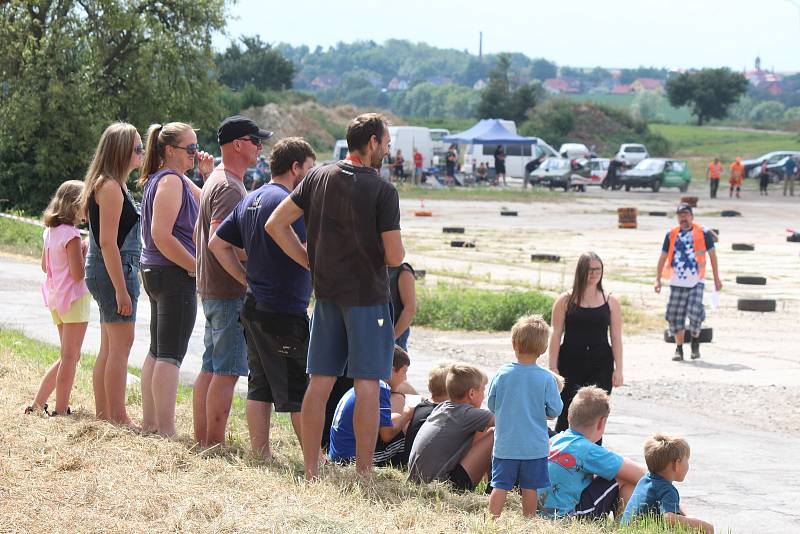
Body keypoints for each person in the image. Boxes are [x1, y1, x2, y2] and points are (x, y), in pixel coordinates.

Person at [266, 112, 403, 480]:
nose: (387, 151)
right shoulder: (382, 190)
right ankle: (362, 472)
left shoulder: (317, 176)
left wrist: (308, 261)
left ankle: (311, 468)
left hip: (326, 296)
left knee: (320, 381)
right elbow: (394, 256)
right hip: (368, 298)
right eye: (386, 144)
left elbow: (275, 224)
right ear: (372, 142)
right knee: (368, 383)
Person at [209, 137, 317, 457]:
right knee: (298, 387)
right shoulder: (289, 204)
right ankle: (314, 458)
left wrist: (245, 278)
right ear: (295, 167)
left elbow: (217, 244)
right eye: (309, 170)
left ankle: (260, 452)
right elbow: (309, 251)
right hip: (284, 308)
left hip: (255, 304)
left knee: (260, 386)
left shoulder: (251, 198)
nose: (311, 179)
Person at [193, 115, 274, 446]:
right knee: (226, 372)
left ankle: (204, 440)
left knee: (211, 368)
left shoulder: (218, 178)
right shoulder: (228, 187)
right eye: (257, 142)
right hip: (227, 291)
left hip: (214, 289)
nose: (260, 148)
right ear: (238, 145)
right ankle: (214, 443)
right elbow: (220, 241)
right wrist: (246, 276)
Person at [138, 122, 211, 438]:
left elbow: (208, 198)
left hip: (158, 273)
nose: (196, 153)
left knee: (157, 350)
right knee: (170, 354)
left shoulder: (171, 179)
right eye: (190, 148)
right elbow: (161, 235)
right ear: (169, 150)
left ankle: (152, 423)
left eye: (197, 147)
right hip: (172, 274)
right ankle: (165, 429)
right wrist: (195, 267)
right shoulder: (170, 182)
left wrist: (208, 173)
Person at [82, 122, 143, 426]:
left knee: (109, 346)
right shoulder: (109, 187)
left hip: (111, 268)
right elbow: (107, 242)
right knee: (121, 346)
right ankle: (118, 417)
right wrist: (121, 289)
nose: (142, 153)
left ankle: (105, 415)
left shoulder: (111, 184)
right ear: (122, 151)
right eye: (138, 148)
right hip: (114, 269)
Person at [487, 315, 564, 519]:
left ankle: (491, 521)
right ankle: (528, 523)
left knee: (500, 486)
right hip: (534, 448)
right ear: (544, 348)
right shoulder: (546, 378)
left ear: (514, 344)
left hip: (506, 445)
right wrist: (543, 412)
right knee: (530, 488)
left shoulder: (502, 374)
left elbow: (491, 404)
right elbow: (556, 410)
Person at [26, 181, 90, 416]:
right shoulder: (72, 236)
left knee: (68, 355)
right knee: (70, 357)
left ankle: (37, 403)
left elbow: (45, 266)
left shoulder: (49, 232)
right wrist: (84, 252)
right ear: (74, 206)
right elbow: (78, 273)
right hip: (74, 300)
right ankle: (61, 409)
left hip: (56, 299)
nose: (87, 209)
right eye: (84, 204)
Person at [539, 386, 646, 519]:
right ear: (601, 423)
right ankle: (624, 528)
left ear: (568, 416)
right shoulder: (587, 449)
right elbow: (641, 475)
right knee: (623, 478)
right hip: (565, 518)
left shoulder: (555, 440)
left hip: (539, 515)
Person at [549, 252, 623, 435]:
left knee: (597, 415)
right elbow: (555, 334)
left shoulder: (611, 301)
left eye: (598, 269)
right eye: (589, 269)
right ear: (580, 271)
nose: (594, 273)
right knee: (567, 411)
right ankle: (560, 457)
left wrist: (619, 369)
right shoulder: (565, 300)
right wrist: (552, 367)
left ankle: (591, 460)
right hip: (570, 363)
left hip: (601, 364)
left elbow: (616, 336)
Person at [407, 364, 495, 492]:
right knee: (494, 433)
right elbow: (506, 423)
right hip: (441, 488)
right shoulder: (466, 413)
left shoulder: (442, 407)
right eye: (483, 390)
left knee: (483, 429)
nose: (484, 396)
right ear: (471, 393)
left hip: (419, 485)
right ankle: (494, 488)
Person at [655, 203, 722, 361]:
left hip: (696, 281)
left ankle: (695, 343)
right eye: (680, 215)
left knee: (694, 311)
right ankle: (679, 349)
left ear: (691, 216)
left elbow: (712, 256)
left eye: (686, 214)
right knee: (674, 315)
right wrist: (657, 279)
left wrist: (717, 279)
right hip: (676, 281)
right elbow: (663, 256)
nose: (683, 218)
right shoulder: (671, 234)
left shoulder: (703, 233)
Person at [328, 346, 414, 466]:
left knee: (395, 418)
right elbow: (387, 435)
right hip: (350, 460)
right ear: (391, 370)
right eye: (404, 371)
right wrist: (408, 413)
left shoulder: (366, 383)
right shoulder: (380, 387)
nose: (405, 378)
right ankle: (409, 469)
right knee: (407, 433)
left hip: (338, 456)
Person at [621, 434, 714, 533]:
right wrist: (701, 524)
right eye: (687, 461)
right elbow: (668, 518)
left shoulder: (645, 480)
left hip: (626, 530)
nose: (688, 466)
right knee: (707, 528)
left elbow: (672, 506)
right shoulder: (668, 491)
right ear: (677, 464)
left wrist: (689, 517)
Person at [397, 361, 452, 465]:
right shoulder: (447, 414)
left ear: (429, 387)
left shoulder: (417, 408)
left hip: (408, 463)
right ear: (454, 390)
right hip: (430, 470)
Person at [388, 262, 416, 351]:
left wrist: (391, 338)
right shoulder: (376, 268)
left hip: (395, 338)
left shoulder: (403, 272)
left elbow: (410, 309)